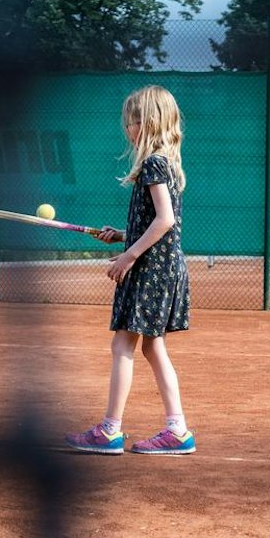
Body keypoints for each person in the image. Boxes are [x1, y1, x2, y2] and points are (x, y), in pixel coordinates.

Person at [65, 85, 194, 455]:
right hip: (164, 266)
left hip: (150, 270)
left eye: (133, 121)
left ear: (148, 123)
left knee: (123, 344)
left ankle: (109, 430)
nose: (128, 128)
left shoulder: (154, 164)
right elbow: (159, 223)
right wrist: (122, 236)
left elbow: (166, 221)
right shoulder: (166, 163)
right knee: (153, 347)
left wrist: (129, 255)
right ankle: (178, 430)